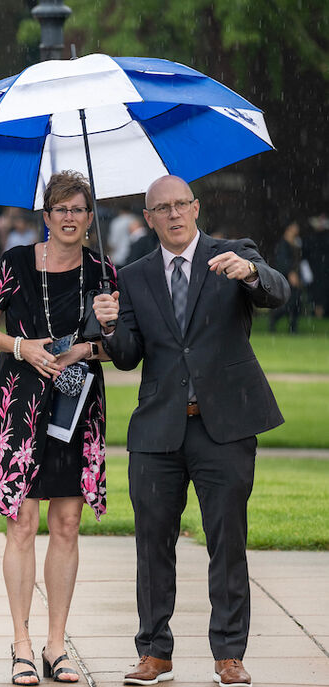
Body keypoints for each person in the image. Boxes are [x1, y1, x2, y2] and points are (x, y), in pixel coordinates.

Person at [92, 175, 289, 687]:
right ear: (149, 217)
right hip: (158, 432)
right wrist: (111, 328)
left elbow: (278, 290)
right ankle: (154, 652)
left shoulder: (233, 254)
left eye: (182, 204)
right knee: (152, 543)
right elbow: (130, 359)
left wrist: (251, 274)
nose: (174, 214)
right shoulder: (130, 276)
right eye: (163, 208)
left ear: (196, 208)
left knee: (228, 541)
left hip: (224, 426)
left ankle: (229, 653)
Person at [0, 171, 116, 686]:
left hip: (76, 408)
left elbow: (119, 349)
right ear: (47, 216)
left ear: (89, 215)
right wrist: (22, 346)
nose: (70, 218)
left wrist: (90, 344)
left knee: (67, 524)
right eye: (61, 209)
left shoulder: (103, 273)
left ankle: (58, 646)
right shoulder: (15, 263)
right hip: (19, 405)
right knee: (22, 524)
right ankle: (22, 644)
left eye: (79, 209)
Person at [269, 220, 303, 333]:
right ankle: (274, 320)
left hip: (296, 276)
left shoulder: (297, 242)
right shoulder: (283, 244)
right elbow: (282, 262)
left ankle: (293, 327)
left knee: (296, 302)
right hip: (286, 278)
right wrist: (290, 273)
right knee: (287, 303)